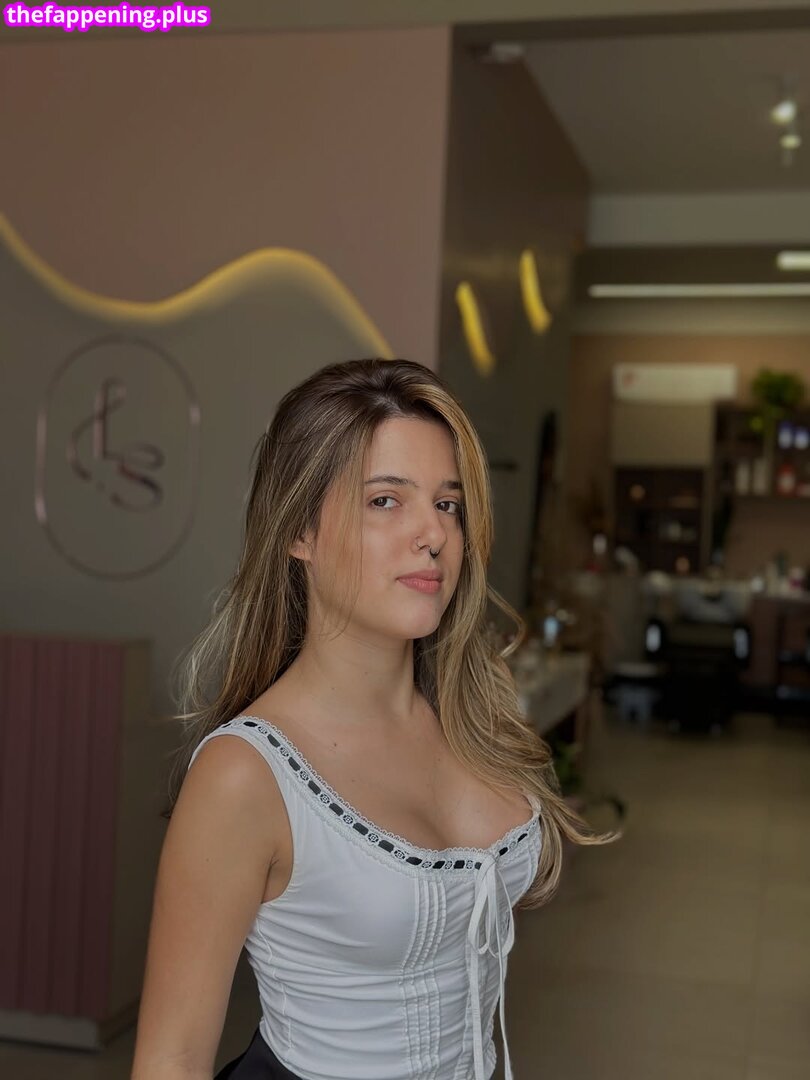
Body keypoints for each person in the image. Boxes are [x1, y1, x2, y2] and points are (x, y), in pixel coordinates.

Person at [131, 358, 619, 1080]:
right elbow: (170, 1061)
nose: (433, 534)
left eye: (448, 504)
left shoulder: (473, 718)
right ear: (299, 531)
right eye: (386, 501)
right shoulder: (246, 776)